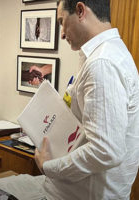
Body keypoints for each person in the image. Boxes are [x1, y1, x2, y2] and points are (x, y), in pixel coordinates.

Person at [34, 0, 139, 199]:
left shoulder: (102, 63)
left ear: (80, 11)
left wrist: (49, 166)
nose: (62, 33)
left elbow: (105, 151)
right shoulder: (103, 55)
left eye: (62, 22)